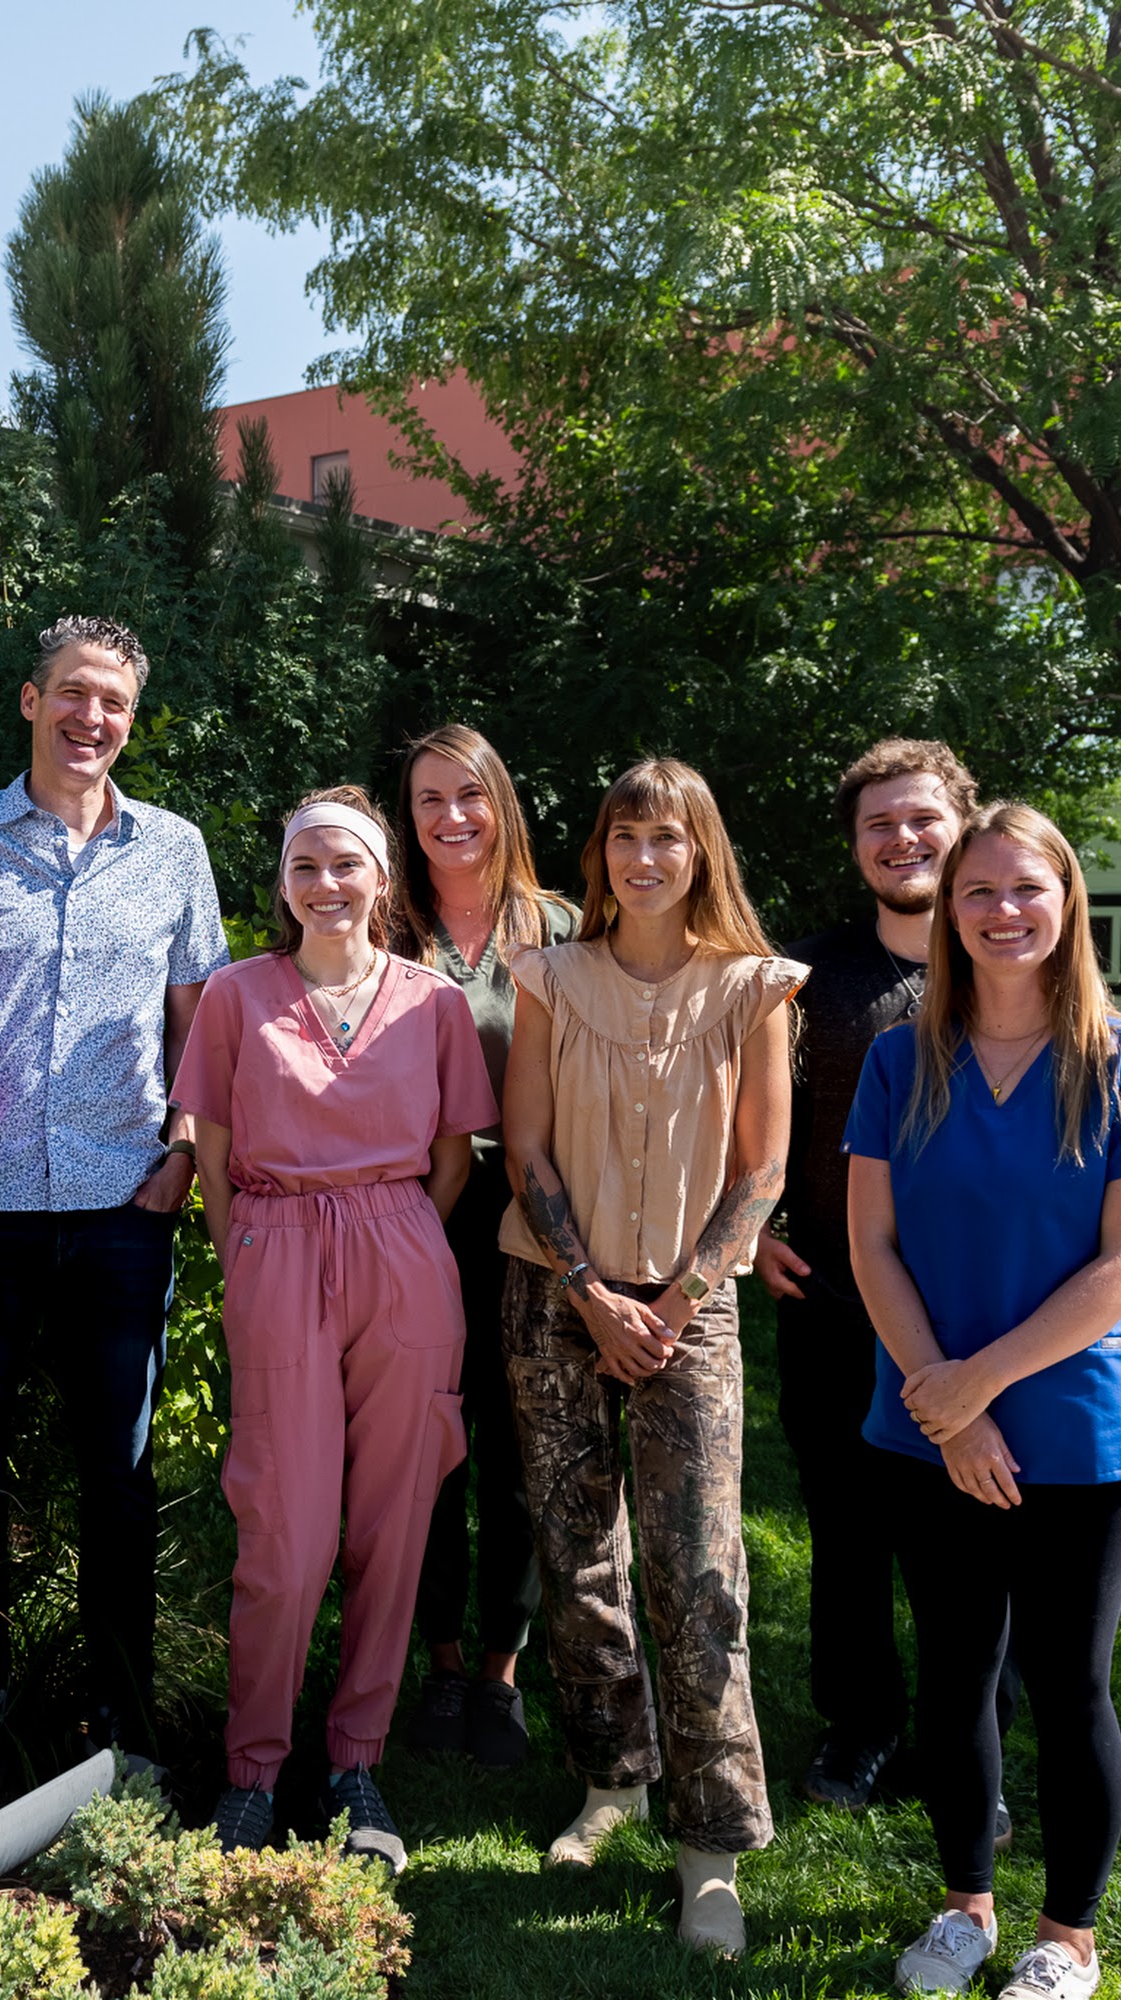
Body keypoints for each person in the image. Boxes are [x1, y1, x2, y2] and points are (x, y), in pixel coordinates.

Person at [0, 615, 229, 1788]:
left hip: (118, 1201)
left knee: (118, 1465)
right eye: (74, 695)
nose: (92, 719)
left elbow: (199, 1025)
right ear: (30, 700)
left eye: (114, 703)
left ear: (129, 720)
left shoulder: (173, 849)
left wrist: (185, 1152)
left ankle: (124, 1719)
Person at [498, 757, 803, 1958]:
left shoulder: (750, 985)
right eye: (623, 835)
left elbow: (762, 1167)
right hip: (552, 1290)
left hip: (693, 1303)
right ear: (599, 851)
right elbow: (523, 1143)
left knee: (698, 1564)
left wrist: (669, 1300)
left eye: (665, 839)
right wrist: (586, 1289)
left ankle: (710, 1845)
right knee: (576, 1553)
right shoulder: (549, 975)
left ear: (699, 853)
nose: (641, 858)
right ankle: (610, 1777)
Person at [174, 786, 496, 1872]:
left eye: (344, 865)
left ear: (379, 879)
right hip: (274, 1249)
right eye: (303, 865)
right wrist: (253, 1257)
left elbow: (452, 1156)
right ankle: (253, 1770)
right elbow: (211, 1151)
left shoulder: (431, 1003)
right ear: (279, 880)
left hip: (403, 1251)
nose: (324, 885)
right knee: (284, 1529)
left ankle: (355, 1761)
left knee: (393, 1522)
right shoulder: (234, 995)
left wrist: (396, 1239)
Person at [848, 802, 1121, 2000]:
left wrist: (980, 1386)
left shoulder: (1112, 1061)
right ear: (947, 912)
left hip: (1071, 1430)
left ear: (1066, 902)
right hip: (924, 1423)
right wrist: (946, 1410)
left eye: (1026, 889)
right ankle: (962, 1905)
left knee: (1068, 1684)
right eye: (978, 892)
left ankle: (1065, 1937)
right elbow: (869, 1245)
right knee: (952, 1669)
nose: (1002, 911)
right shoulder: (897, 1056)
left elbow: (1117, 1270)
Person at [755, 739, 984, 1813]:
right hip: (835, 1302)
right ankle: (857, 1725)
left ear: (960, 823)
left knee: (967, 1533)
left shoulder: (1009, 954)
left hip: (986, 1310)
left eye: (920, 818)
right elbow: (741, 1122)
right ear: (853, 846)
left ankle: (964, 1738)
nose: (901, 838)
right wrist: (751, 1229)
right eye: (877, 823)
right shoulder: (805, 975)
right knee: (844, 1530)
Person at [394, 725, 576, 1769]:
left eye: (468, 794)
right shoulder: (382, 920)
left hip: (527, 1216)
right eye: (427, 798)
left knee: (514, 1447)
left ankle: (502, 1669)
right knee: (425, 1443)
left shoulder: (558, 927)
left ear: (499, 801)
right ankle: (441, 1661)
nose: (449, 816)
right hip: (411, 1208)